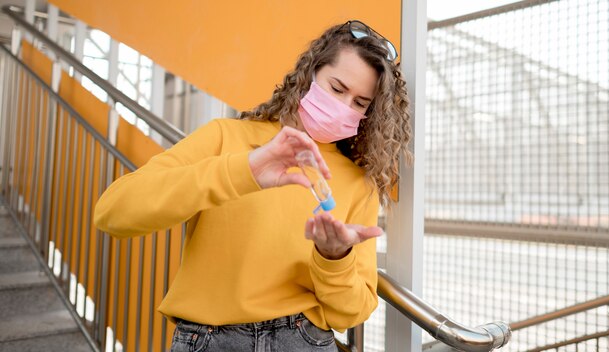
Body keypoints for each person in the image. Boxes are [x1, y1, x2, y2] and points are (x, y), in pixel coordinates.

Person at [94, 19, 412, 352]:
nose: (344, 108)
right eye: (336, 89)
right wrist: (242, 171)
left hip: (303, 341)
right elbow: (113, 212)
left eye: (360, 104)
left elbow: (353, 312)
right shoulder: (226, 138)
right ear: (310, 75)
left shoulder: (357, 184)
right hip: (210, 340)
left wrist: (335, 258)